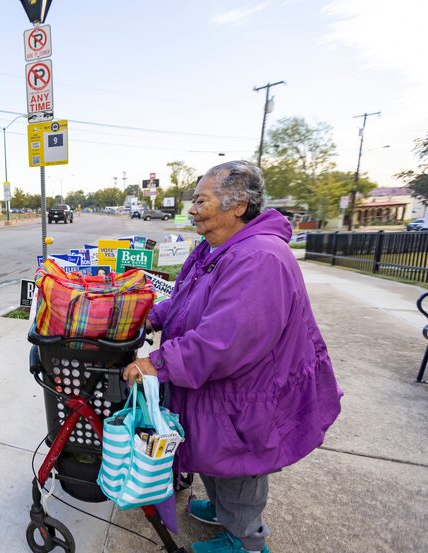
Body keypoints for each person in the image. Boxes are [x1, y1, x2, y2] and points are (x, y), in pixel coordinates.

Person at [123, 160, 342, 553]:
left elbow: (222, 341)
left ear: (238, 205)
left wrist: (155, 363)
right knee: (216, 454)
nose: (192, 210)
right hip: (225, 389)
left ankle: (245, 541)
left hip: (246, 391)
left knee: (239, 461)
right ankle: (227, 514)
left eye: (201, 201)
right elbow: (187, 300)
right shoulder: (218, 248)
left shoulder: (259, 258)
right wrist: (149, 318)